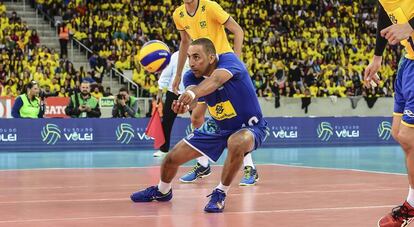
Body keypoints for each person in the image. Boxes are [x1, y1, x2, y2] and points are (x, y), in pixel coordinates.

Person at [130, 38, 268, 213]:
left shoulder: (229, 61)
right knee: (171, 159)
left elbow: (215, 80)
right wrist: (184, 106)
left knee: (237, 142)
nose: (191, 63)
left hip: (250, 128)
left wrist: (190, 93)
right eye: (189, 57)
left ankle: (220, 193)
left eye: (196, 57)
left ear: (211, 58)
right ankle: (162, 191)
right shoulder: (190, 76)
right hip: (217, 127)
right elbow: (195, 104)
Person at [172, 0, 258, 186]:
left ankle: (249, 167)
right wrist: (178, 73)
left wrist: (237, 62)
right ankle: (203, 165)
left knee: (233, 119)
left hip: (222, 69)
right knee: (196, 117)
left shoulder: (210, 7)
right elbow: (184, 42)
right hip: (202, 71)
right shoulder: (178, 14)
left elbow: (238, 30)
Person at [364, 1, 414, 226]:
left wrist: (411, 26)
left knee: (409, 136)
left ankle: (411, 206)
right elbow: (385, 10)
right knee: (399, 133)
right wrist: (377, 56)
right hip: (409, 61)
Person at [153, 51, 188, 157]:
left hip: (191, 92)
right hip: (173, 91)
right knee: (167, 121)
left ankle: (202, 150)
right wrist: (159, 92)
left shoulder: (199, 53)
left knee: (197, 119)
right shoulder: (176, 55)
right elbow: (166, 73)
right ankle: (163, 149)